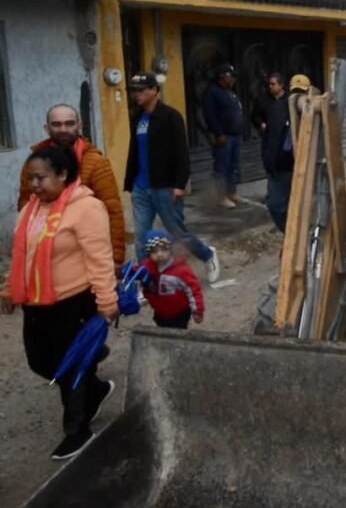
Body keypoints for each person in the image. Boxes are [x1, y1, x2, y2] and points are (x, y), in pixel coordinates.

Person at [2, 146, 117, 460]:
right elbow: (22, 255)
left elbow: (100, 259)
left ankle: (77, 431)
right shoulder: (31, 208)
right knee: (40, 363)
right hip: (36, 304)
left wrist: (107, 301)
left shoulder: (86, 208)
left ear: (63, 175)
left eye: (40, 178)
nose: (34, 185)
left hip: (72, 303)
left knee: (70, 368)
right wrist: (9, 291)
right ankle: (95, 388)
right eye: (30, 179)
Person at [124, 72, 221, 283]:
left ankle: (208, 254)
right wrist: (130, 181)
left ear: (154, 91)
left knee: (177, 233)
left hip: (165, 187)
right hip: (141, 187)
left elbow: (181, 153)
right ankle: (147, 279)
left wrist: (179, 185)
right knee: (141, 237)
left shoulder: (171, 117)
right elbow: (135, 151)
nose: (136, 95)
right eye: (134, 91)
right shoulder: (138, 118)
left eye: (141, 90)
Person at [18, 104, 126, 269]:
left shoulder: (95, 162)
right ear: (47, 128)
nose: (63, 129)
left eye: (69, 123)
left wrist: (116, 257)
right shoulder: (34, 162)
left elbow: (112, 209)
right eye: (56, 124)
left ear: (79, 125)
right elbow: (26, 204)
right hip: (44, 249)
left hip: (84, 249)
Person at [251, 73, 309, 231]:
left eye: (273, 84)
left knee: (294, 203)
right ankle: (289, 232)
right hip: (276, 162)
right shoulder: (266, 102)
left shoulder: (299, 108)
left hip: (294, 164)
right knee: (276, 204)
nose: (270, 87)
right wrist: (261, 125)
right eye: (269, 84)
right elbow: (255, 116)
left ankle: (295, 234)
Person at [140, 231, 205, 329]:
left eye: (163, 250)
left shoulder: (182, 271)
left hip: (179, 312)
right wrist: (121, 272)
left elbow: (194, 290)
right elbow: (135, 271)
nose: (159, 254)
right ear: (149, 254)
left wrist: (197, 310)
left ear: (170, 249)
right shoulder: (148, 266)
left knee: (177, 335)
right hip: (160, 311)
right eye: (154, 251)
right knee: (162, 332)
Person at [201, 64, 244, 209]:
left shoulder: (230, 92)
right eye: (230, 76)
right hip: (224, 136)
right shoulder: (213, 92)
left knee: (233, 166)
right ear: (222, 77)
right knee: (221, 167)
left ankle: (231, 192)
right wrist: (218, 133)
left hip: (235, 135)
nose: (233, 80)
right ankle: (220, 197)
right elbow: (210, 115)